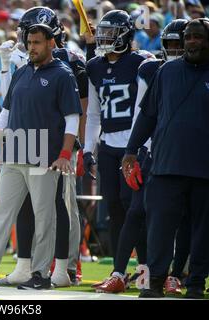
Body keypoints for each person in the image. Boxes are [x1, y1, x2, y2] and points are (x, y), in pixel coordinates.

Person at [0, 23, 82, 290]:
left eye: (37, 42)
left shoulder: (63, 74)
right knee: (2, 214)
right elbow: (6, 112)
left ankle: (41, 274)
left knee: (44, 216)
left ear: (50, 44)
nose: (31, 47)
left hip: (44, 157)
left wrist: (64, 154)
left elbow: (72, 119)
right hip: (14, 154)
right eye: (29, 42)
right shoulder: (21, 72)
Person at [92, 19, 189, 294]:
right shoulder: (151, 68)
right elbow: (141, 113)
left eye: (179, 44)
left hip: (189, 154)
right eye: (170, 44)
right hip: (153, 151)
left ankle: (175, 273)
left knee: (186, 217)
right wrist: (135, 150)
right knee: (135, 211)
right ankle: (122, 273)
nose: (175, 49)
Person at [122, 18, 209, 299]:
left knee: (202, 233)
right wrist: (131, 150)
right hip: (165, 166)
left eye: (198, 37)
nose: (192, 42)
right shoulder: (166, 71)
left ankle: (196, 284)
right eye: (189, 37)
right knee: (159, 229)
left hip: (205, 170)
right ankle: (155, 283)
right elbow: (147, 115)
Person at [83, 10, 153, 262]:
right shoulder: (94, 67)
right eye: (102, 33)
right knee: (113, 206)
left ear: (125, 34)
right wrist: (88, 149)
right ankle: (117, 269)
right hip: (109, 145)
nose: (104, 38)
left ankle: (145, 266)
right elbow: (93, 114)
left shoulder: (142, 62)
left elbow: (148, 110)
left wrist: (141, 146)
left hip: (133, 145)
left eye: (110, 33)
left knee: (132, 206)